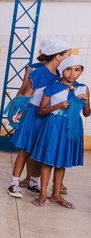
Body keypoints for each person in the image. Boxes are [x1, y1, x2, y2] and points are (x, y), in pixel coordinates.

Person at [7, 37, 70, 198]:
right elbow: (27, 95)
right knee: (26, 150)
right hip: (33, 115)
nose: (67, 58)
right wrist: (18, 113)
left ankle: (34, 183)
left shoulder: (56, 74)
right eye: (66, 55)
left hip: (45, 115)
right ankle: (14, 184)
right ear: (58, 56)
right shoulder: (39, 72)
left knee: (38, 149)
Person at [30, 56, 90, 208]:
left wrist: (87, 101)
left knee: (61, 161)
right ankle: (42, 194)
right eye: (68, 69)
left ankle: (56, 195)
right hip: (54, 125)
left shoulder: (83, 88)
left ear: (81, 71)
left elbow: (87, 113)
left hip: (72, 127)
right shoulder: (52, 87)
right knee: (48, 160)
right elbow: (41, 110)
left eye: (77, 70)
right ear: (62, 70)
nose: (72, 73)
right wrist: (56, 106)